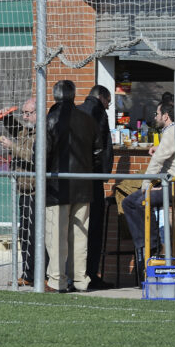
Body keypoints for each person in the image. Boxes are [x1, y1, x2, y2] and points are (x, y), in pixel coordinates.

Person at [122, 98, 175, 275]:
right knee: (133, 201)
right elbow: (169, 155)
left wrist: (146, 183)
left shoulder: (173, 132)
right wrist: (158, 147)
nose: (155, 116)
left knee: (132, 202)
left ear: (165, 115)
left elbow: (158, 160)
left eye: (157, 113)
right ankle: (149, 243)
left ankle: (150, 245)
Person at [45, 80, 101, 293]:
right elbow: (98, 152)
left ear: (55, 96)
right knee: (80, 236)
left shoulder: (50, 119)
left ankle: (57, 280)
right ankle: (80, 279)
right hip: (83, 184)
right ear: (74, 95)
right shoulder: (88, 120)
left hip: (57, 186)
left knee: (57, 236)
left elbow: (42, 154)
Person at [0, 98, 37, 287]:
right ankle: (27, 273)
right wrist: (7, 117)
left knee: (35, 235)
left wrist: (12, 147)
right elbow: (17, 131)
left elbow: (33, 155)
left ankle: (35, 274)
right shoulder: (27, 129)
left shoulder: (42, 132)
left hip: (36, 190)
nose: (25, 116)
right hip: (24, 189)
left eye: (28, 113)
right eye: (23, 113)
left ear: (38, 113)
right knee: (25, 233)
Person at [77, 85, 114, 289]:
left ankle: (76, 274)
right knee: (94, 229)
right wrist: (103, 172)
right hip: (92, 178)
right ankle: (90, 274)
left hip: (74, 179)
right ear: (101, 98)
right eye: (108, 102)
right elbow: (102, 147)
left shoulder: (77, 111)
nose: (108, 107)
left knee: (78, 227)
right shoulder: (98, 112)